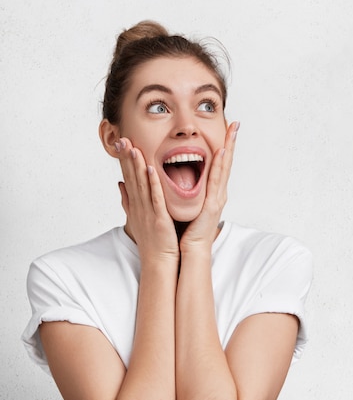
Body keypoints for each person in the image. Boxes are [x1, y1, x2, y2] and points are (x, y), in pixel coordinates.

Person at [21, 20, 313, 400]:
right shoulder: (63, 278)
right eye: (158, 107)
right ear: (113, 138)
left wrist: (196, 251)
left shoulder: (274, 262)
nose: (187, 125)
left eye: (206, 105)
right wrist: (158, 260)